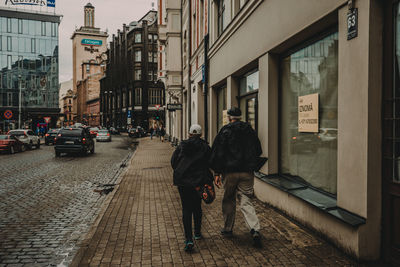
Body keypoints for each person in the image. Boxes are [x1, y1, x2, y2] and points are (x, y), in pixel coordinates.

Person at [210, 107, 265, 248]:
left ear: (229, 117)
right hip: (247, 172)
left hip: (229, 172)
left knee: (229, 199)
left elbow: (218, 152)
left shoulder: (225, 131)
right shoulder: (249, 130)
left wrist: (216, 172)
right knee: (246, 199)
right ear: (240, 117)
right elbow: (258, 150)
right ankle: (255, 229)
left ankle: (228, 229)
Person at [171, 124, 213, 252]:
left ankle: (189, 239)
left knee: (186, 208)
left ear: (189, 133)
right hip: (199, 182)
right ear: (201, 135)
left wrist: (181, 171)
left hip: (183, 182)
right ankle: (197, 233)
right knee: (197, 206)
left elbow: (173, 161)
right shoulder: (205, 147)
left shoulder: (182, 145)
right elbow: (211, 162)